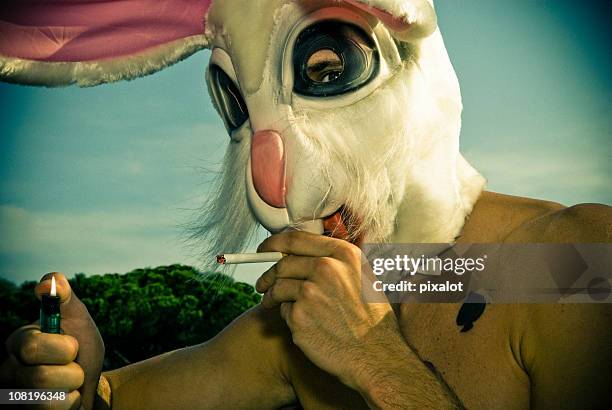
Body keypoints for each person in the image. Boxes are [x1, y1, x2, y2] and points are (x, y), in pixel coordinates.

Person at [1, 0, 611, 408]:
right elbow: (103, 399)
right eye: (237, 109)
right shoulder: (295, 328)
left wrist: (376, 361)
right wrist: (52, 389)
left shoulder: (581, 261)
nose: (273, 188)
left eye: (328, 72)